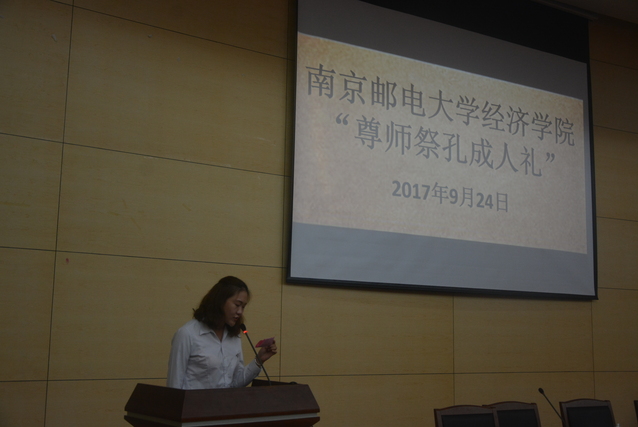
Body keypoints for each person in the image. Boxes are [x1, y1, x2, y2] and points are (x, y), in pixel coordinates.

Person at [167, 276, 277, 389]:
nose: (240, 312)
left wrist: (259, 360)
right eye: (237, 305)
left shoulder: (234, 336)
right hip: (195, 400)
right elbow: (174, 385)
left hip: (226, 400)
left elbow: (235, 384)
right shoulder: (187, 334)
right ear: (220, 301)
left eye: (243, 307)